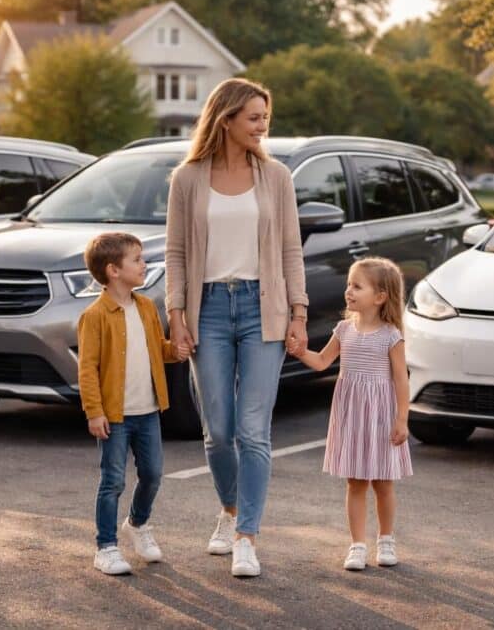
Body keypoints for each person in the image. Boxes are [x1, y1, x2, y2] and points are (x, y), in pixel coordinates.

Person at [165, 78, 309, 577]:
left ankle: (247, 536)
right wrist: (177, 316)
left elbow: (291, 249)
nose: (262, 125)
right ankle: (229, 510)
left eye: (265, 116)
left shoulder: (277, 177)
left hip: (261, 308)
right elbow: (176, 253)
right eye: (253, 117)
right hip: (206, 310)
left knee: (253, 430)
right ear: (225, 120)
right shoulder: (187, 179)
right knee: (219, 431)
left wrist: (298, 313)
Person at [77, 232, 189, 575]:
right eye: (137, 260)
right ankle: (106, 548)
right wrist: (94, 412)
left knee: (152, 475)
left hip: (148, 411)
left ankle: (137, 524)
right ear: (114, 270)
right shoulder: (95, 316)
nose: (144, 265)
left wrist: (176, 351)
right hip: (115, 416)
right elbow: (87, 369)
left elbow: (157, 348)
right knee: (113, 481)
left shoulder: (145, 307)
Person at [291, 257, 412, 571]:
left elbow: (401, 379)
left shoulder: (391, 335)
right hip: (352, 416)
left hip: (381, 416)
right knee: (356, 482)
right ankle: (357, 545)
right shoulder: (344, 329)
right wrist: (299, 351)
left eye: (357, 286)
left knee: (383, 482)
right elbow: (321, 362)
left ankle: (386, 539)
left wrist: (402, 419)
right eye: (349, 284)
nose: (349, 291)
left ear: (380, 296)